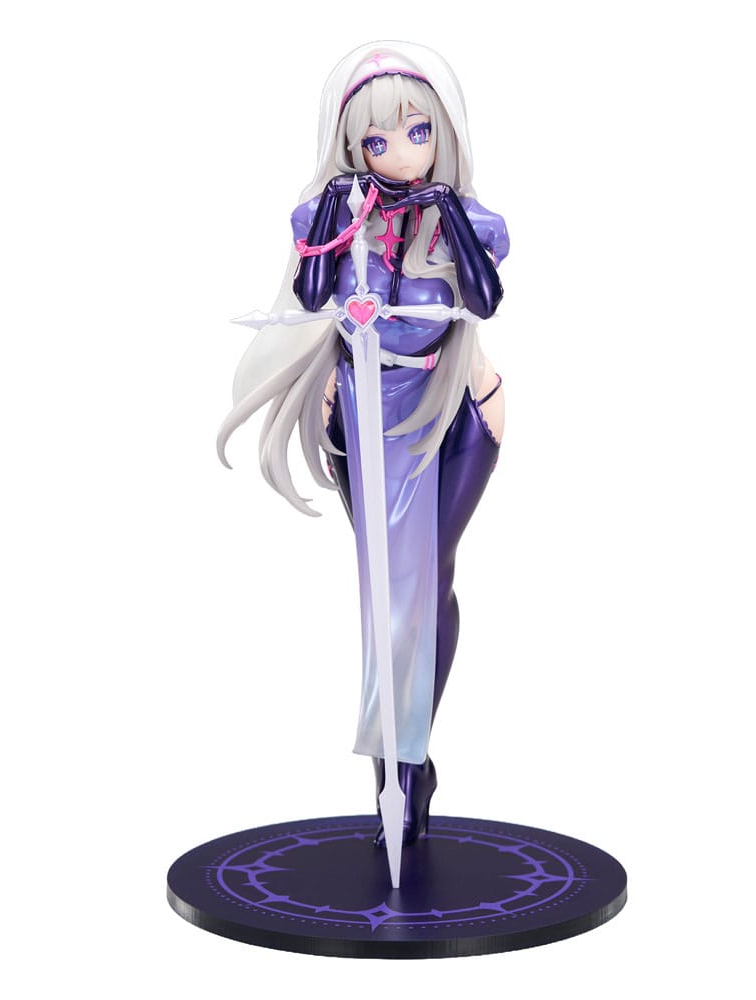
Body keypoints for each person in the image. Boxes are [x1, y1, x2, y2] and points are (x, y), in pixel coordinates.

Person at [218, 42, 509, 844]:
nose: (402, 156)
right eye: (378, 141)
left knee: (428, 575)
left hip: (454, 409)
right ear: (352, 145)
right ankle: (394, 767)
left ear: (443, 131)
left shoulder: (468, 220)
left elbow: (486, 299)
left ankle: (408, 762)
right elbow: (314, 294)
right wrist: (330, 213)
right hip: (359, 414)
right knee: (389, 587)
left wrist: (444, 206)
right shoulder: (342, 219)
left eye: (419, 132)